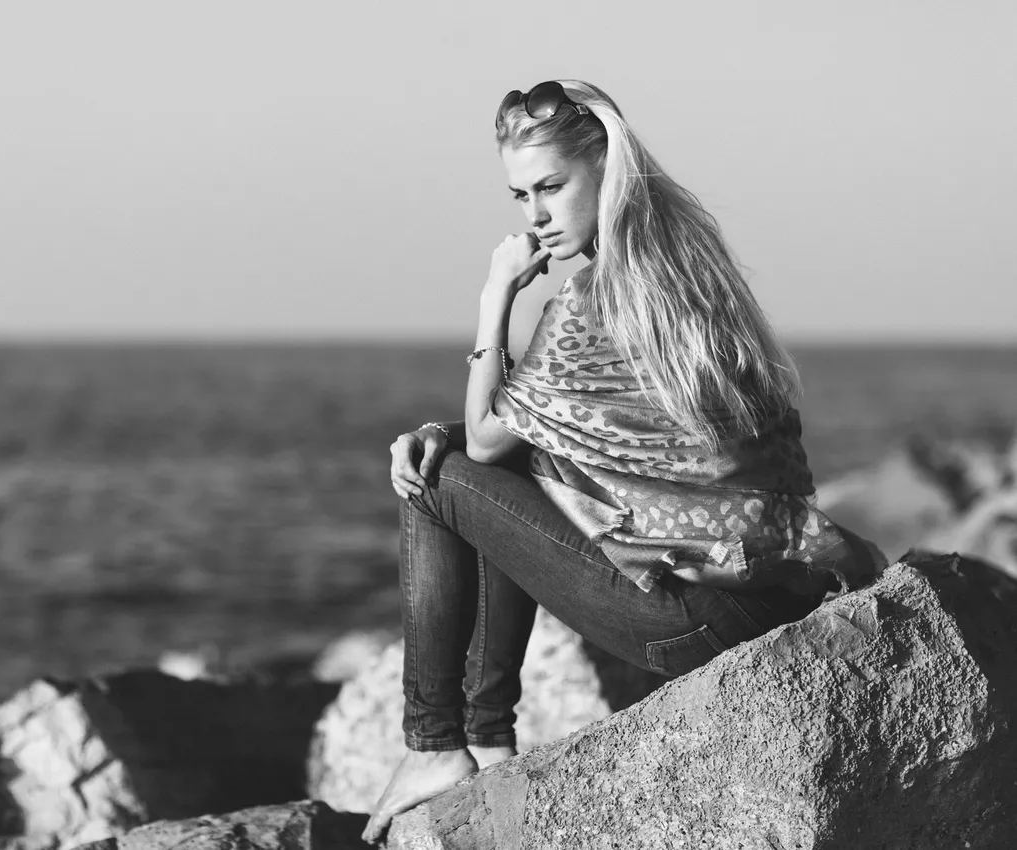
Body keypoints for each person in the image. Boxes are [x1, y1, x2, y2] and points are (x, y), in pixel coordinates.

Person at [360, 79, 885, 844]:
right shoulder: (688, 268)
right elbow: (571, 437)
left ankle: (441, 742)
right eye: (520, 196)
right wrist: (450, 427)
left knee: (435, 477)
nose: (536, 215)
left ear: (605, 166)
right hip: (772, 591)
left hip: (693, 617)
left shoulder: (589, 301)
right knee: (467, 464)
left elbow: (483, 446)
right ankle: (481, 738)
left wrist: (495, 297)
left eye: (551, 187)